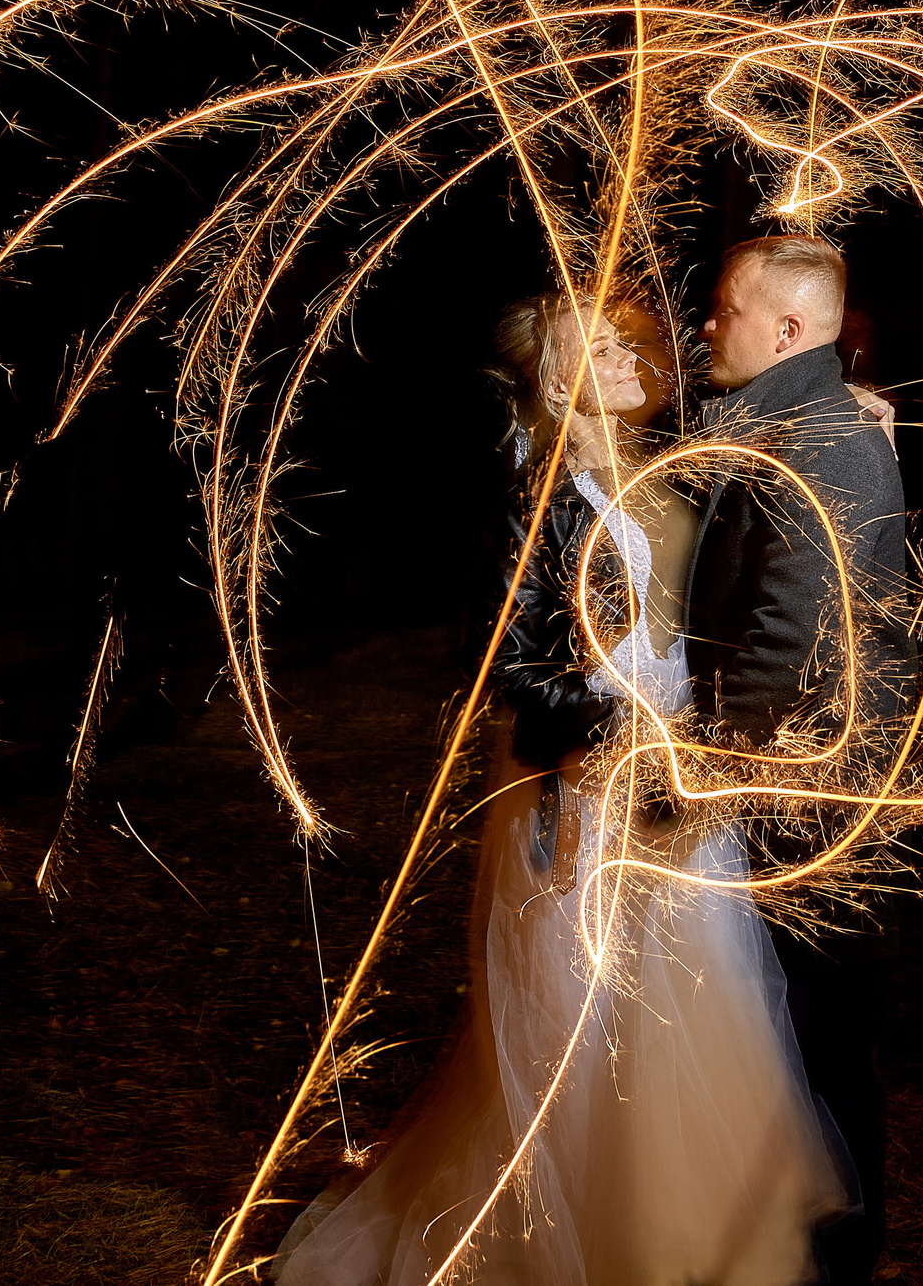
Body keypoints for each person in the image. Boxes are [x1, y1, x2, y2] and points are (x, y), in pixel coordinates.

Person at [271, 294, 850, 1286]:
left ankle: (694, 1229)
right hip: (585, 782)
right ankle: (576, 1233)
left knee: (699, 989)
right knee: (587, 1012)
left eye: (637, 338)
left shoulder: (677, 467)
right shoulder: (540, 496)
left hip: (683, 772)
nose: (636, 353)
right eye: (604, 346)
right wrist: (616, 737)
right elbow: (505, 663)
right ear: (553, 377)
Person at [690, 233, 912, 1286]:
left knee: (815, 1026)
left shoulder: (823, 440)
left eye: (724, 309)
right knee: (789, 1019)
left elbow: (794, 634)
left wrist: (712, 769)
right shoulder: (799, 422)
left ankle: (833, 1249)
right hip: (797, 781)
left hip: (804, 789)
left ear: (785, 330)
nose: (705, 325)